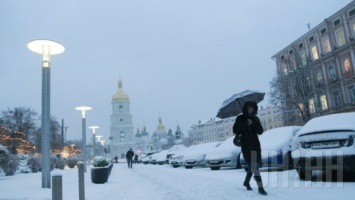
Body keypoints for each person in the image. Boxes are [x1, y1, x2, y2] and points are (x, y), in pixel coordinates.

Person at [233, 101, 267, 195]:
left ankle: (246, 182)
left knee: (253, 166)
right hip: (246, 146)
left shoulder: (255, 118)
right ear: (245, 108)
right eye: (249, 107)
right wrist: (245, 124)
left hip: (255, 145)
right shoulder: (240, 118)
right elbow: (235, 130)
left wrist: (252, 124)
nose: (251, 109)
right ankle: (260, 188)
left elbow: (260, 131)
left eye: (252, 107)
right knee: (254, 166)